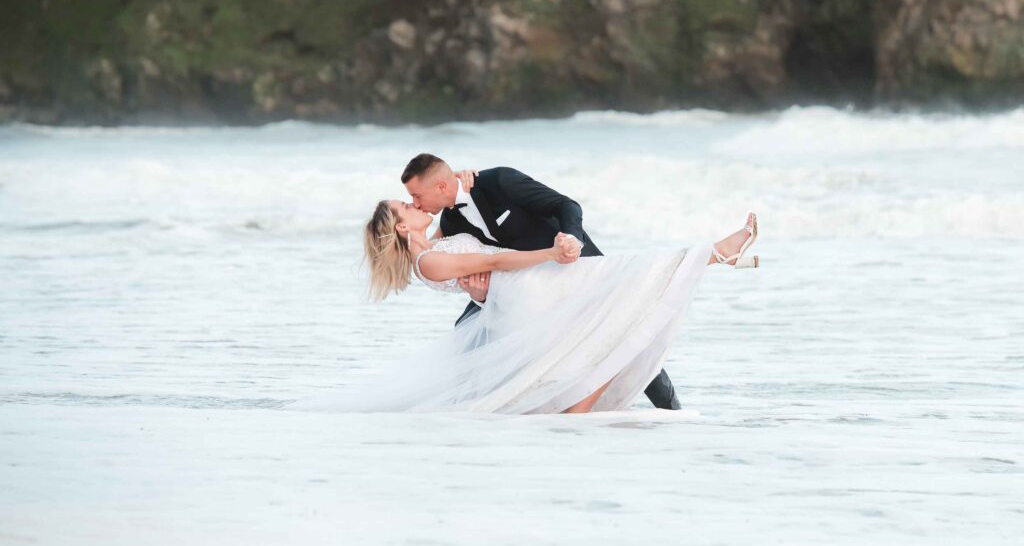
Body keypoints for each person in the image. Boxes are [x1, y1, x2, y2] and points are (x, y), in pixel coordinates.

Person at [285, 160, 758, 415]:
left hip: (542, 277)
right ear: (402, 225)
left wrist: (552, 244)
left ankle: (718, 256)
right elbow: (489, 259)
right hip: (531, 285)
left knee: (622, 310)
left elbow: (554, 209)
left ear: (441, 185)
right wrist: (538, 261)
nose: (414, 203)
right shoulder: (432, 252)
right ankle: (718, 252)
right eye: (406, 204)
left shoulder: (465, 209)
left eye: (414, 196)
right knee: (632, 290)